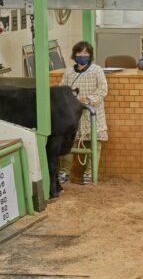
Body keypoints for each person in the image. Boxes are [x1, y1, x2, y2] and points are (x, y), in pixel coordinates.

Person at [57, 41, 108, 186]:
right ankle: (64, 173)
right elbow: (63, 89)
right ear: (75, 55)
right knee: (67, 143)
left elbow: (103, 89)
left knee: (94, 143)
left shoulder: (97, 70)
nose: (82, 56)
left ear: (90, 55)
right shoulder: (69, 71)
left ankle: (90, 173)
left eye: (86, 53)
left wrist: (88, 99)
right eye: (79, 53)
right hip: (72, 114)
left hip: (93, 113)